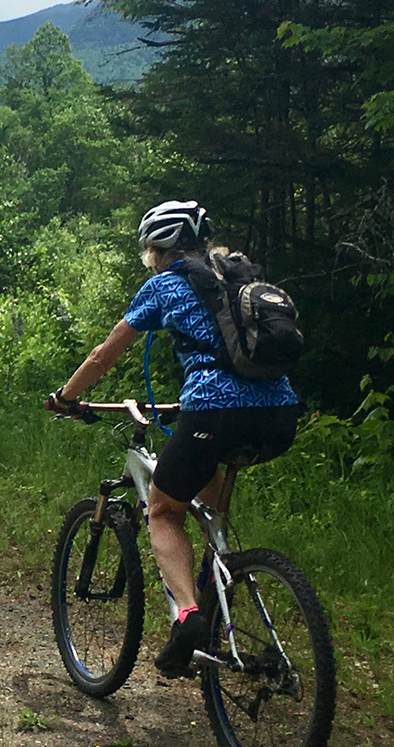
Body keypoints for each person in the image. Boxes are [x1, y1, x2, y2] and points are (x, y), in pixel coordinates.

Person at [44, 200, 301, 677]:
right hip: (280, 414)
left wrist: (66, 396)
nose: (150, 261)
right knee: (206, 498)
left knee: (162, 510)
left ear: (160, 249)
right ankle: (218, 587)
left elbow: (104, 356)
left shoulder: (165, 286)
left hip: (213, 412)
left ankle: (187, 617)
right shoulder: (237, 279)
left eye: (148, 252)